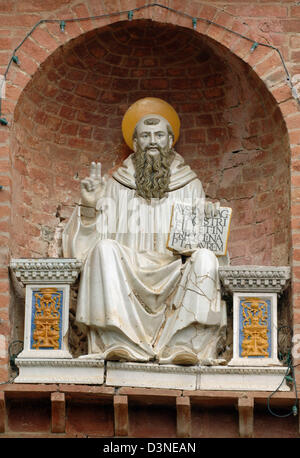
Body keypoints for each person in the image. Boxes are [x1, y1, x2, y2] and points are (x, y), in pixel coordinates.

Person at [63, 98, 227, 365]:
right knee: (104, 250)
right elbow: (86, 246)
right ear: (135, 143)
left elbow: (202, 243)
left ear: (170, 141)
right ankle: (117, 341)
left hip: (175, 269)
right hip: (128, 269)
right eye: (146, 135)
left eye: (159, 135)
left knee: (207, 259)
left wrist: (207, 220)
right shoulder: (117, 184)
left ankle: (184, 344)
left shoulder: (190, 184)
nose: (152, 141)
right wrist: (90, 206)